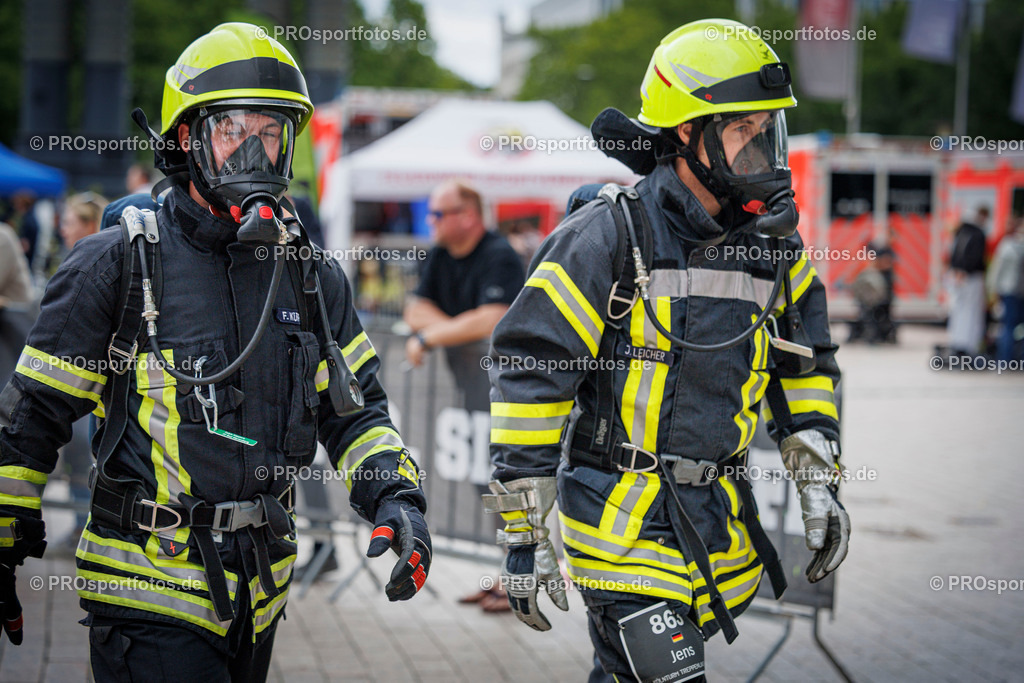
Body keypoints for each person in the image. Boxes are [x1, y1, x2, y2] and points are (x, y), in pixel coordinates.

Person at [0, 23, 430, 680]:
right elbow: (30, 418)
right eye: (234, 131)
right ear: (186, 139)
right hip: (148, 589)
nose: (255, 152)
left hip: (259, 593)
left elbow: (357, 410)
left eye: (271, 132)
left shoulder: (309, 275)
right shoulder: (117, 262)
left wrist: (396, 495)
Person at [482, 20, 849, 682]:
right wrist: (523, 530)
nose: (765, 149)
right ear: (689, 133)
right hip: (622, 534)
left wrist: (818, 482)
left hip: (715, 531)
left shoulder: (774, 251)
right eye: (745, 132)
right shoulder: (606, 235)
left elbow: (806, 366)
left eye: (770, 130)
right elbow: (531, 373)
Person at [403, 180, 525, 611]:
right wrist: (450, 329)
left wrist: (433, 335)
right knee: (484, 486)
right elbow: (413, 308)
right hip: (473, 392)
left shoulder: (499, 256)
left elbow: (493, 320)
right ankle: (501, 579)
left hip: (509, 395)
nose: (430, 221)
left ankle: (519, 585)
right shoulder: (440, 254)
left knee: (508, 488)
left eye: (438, 214)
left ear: (467, 216)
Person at [947, 207, 989, 358]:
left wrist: (957, 270)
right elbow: (976, 257)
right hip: (970, 278)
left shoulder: (962, 233)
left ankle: (958, 342)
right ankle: (967, 345)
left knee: (959, 310)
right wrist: (965, 271)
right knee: (970, 313)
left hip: (959, 276)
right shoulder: (978, 234)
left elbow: (954, 255)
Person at [988, 215, 1024, 362]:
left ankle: (1005, 358)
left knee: (1008, 326)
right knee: (1019, 327)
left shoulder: (1007, 245)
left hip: (1008, 291)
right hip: (1020, 291)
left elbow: (997, 269)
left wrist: (993, 289)